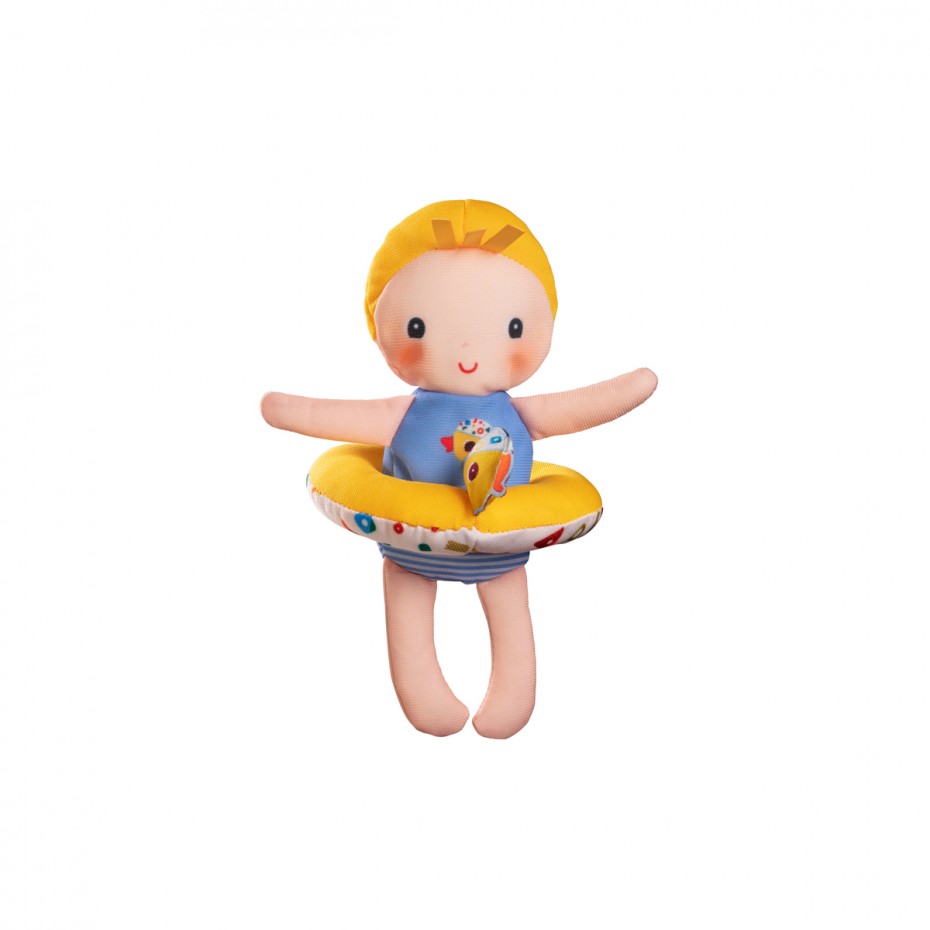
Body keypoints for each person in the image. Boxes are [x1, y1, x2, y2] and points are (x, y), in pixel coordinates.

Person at [261, 200, 657, 739]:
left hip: (500, 543)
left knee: (504, 605)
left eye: (513, 327)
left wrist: (633, 385)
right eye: (418, 326)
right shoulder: (404, 415)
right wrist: (285, 408)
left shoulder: (515, 414)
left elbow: (582, 405)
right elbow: (328, 416)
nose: (468, 352)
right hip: (409, 544)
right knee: (412, 603)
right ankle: (426, 699)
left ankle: (510, 700)